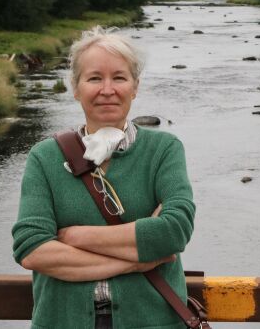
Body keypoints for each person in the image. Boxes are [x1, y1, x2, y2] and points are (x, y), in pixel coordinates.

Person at [12, 26, 196, 329]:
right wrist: (139, 261)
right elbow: (31, 249)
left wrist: (74, 237)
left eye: (119, 78)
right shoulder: (45, 158)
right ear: (75, 87)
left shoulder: (164, 151)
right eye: (95, 78)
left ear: (135, 87)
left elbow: (175, 231)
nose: (107, 89)